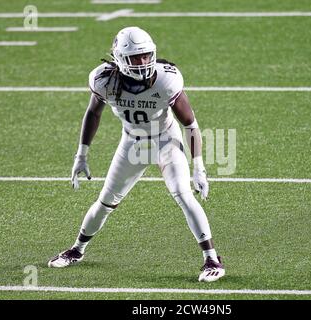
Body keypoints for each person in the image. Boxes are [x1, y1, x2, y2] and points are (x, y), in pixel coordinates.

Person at [48, 26, 225, 282]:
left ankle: (212, 259)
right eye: (135, 57)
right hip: (132, 144)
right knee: (106, 201)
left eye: (146, 55)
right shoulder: (104, 80)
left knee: (184, 195)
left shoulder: (166, 79)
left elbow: (190, 124)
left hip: (166, 142)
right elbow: (93, 113)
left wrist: (199, 166)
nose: (142, 62)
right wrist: (81, 155)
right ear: (119, 58)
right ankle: (77, 249)